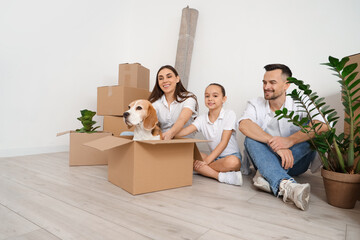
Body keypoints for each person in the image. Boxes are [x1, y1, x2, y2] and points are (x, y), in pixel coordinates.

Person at [238, 64, 327, 210]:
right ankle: (288, 186)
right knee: (250, 138)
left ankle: (266, 174)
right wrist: (277, 146)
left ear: (286, 85)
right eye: (264, 82)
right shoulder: (255, 103)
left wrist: (289, 141)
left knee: (312, 130)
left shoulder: (301, 102)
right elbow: (244, 125)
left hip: (295, 162)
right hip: (266, 155)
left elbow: (323, 125)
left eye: (272, 82)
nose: (266, 86)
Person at [176, 83, 242, 186]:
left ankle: (203, 169)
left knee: (233, 162)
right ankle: (221, 176)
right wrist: (169, 133)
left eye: (215, 96)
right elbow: (184, 132)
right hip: (214, 158)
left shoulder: (229, 114)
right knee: (189, 156)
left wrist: (206, 161)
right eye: (207, 96)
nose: (210, 99)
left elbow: (224, 142)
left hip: (229, 158)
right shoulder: (202, 119)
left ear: (224, 99)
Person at [149, 65, 198, 140]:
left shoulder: (188, 98)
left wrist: (170, 133)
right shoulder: (155, 102)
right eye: (161, 78)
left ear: (177, 79)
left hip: (183, 142)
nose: (165, 81)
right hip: (163, 141)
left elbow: (182, 119)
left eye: (169, 76)